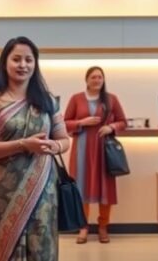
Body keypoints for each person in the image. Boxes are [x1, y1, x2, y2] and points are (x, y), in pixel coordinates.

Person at [0, 36, 71, 261]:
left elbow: (65, 140)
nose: (23, 65)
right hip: (1, 192)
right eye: (16, 59)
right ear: (5, 62)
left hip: (42, 190)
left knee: (43, 249)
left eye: (29, 60)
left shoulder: (47, 101)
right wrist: (23, 145)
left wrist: (54, 145)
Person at [63, 66, 128, 244]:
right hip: (82, 150)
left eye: (100, 77)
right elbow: (64, 123)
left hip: (103, 150)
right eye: (93, 77)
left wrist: (111, 127)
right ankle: (83, 228)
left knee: (104, 188)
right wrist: (81, 122)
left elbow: (123, 122)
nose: (97, 80)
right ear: (87, 80)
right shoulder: (76, 99)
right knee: (80, 188)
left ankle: (103, 227)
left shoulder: (111, 99)